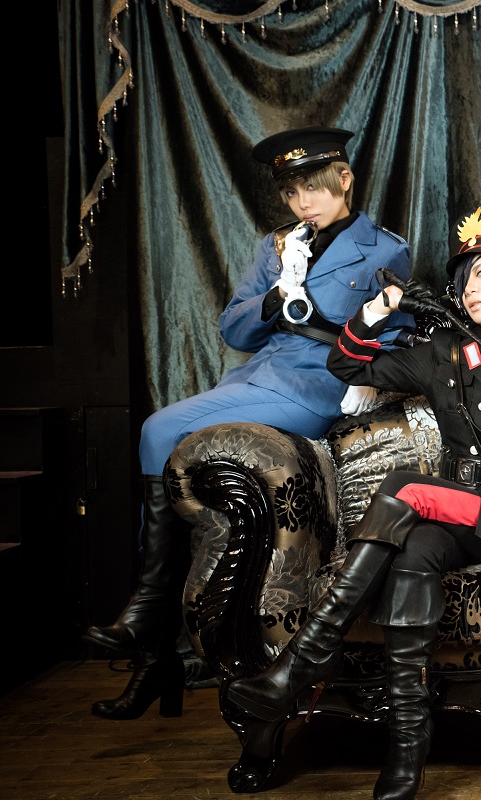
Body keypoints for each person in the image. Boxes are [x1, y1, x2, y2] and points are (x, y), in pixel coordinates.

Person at [226, 207, 481, 800]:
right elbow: (345, 364)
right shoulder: (446, 352)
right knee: (413, 554)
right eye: (464, 277)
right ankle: (408, 748)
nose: (470, 288)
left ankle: (300, 663)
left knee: (405, 486)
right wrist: (379, 309)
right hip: (455, 519)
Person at [83, 125, 415, 720]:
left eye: (314, 187)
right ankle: (159, 654)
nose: (303, 202)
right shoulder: (277, 245)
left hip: (317, 389)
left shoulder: (384, 249)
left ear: (344, 180)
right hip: (257, 376)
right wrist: (273, 296)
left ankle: (147, 613)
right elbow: (233, 329)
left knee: (158, 431)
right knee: (171, 453)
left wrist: (365, 372)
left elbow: (399, 335)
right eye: (291, 192)